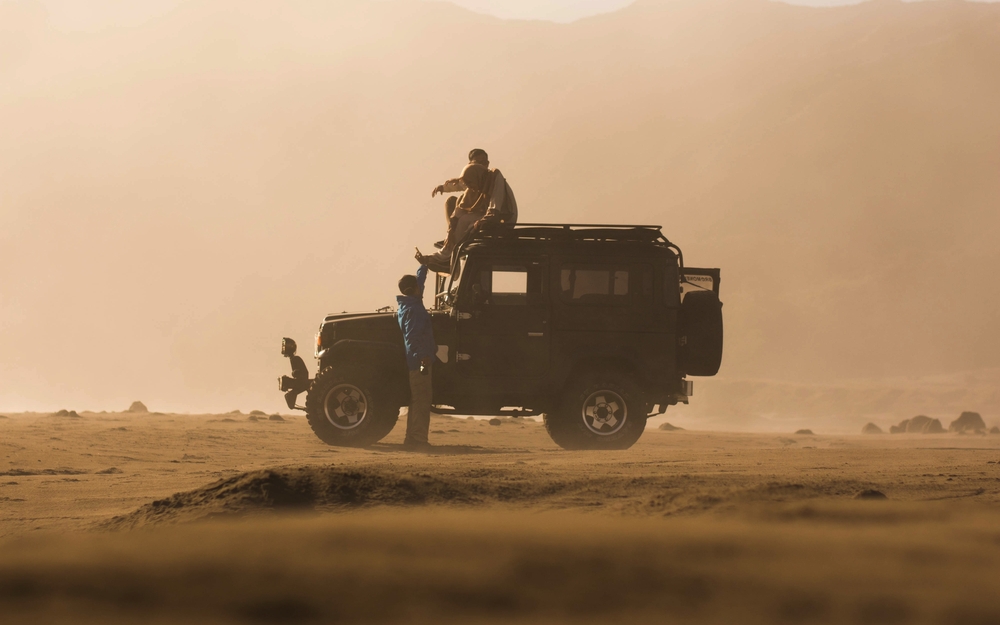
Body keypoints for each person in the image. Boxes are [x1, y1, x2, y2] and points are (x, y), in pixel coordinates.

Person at [417, 153, 518, 272]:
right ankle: (444, 256)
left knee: (470, 225)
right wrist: (451, 231)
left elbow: (494, 208)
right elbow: (459, 208)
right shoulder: (475, 181)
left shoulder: (495, 178)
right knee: (461, 219)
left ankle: (450, 259)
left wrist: (480, 223)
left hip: (503, 217)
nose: (470, 187)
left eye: (484, 163)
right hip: (486, 214)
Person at [396, 265, 436, 451]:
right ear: (414, 290)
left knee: (418, 399)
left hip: (418, 360)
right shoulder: (414, 311)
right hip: (420, 363)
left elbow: (419, 281)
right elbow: (412, 339)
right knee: (421, 399)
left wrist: (424, 264)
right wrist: (423, 357)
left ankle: (413, 437)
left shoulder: (409, 304)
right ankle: (418, 439)